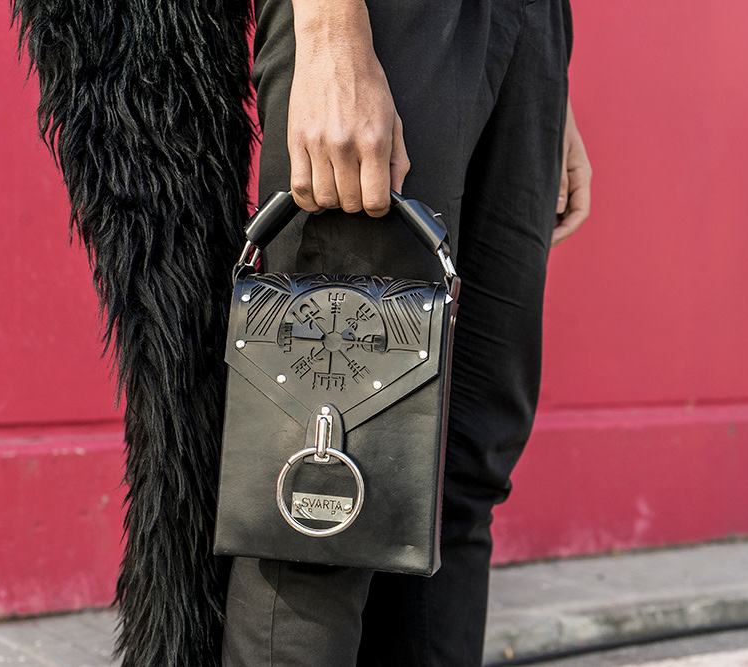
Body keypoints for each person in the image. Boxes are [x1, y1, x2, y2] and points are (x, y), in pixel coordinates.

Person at [222, 0, 591, 665]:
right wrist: (330, 31)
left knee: (459, 471)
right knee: (320, 493)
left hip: (528, 31)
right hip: (383, 20)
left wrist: (541, 75)